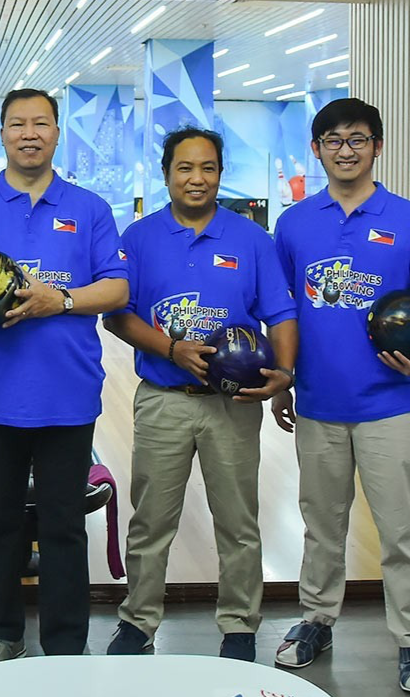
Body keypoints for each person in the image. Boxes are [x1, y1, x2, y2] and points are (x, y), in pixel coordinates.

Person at [0, 88, 128, 668]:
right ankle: (3, 634)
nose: (29, 132)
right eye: (18, 123)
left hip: (67, 394)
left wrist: (58, 300)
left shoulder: (88, 208)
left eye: (41, 122)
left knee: (66, 526)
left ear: (57, 133)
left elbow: (117, 288)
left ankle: (66, 646)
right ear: (3, 133)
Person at [272, 98, 410, 695]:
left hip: (393, 403)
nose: (345, 149)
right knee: (322, 526)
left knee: (403, 531)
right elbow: (284, 311)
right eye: (333, 139)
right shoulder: (293, 224)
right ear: (317, 149)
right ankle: (317, 619)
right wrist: (282, 377)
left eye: (357, 138)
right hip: (319, 403)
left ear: (377, 147)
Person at [104, 127, 298, 662]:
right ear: (167, 173)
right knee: (151, 520)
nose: (197, 178)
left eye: (208, 167)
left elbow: (281, 311)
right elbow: (117, 315)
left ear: (219, 173)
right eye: (185, 168)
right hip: (165, 397)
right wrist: (171, 349)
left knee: (238, 522)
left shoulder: (252, 239)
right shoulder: (139, 238)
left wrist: (284, 371)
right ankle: (138, 621)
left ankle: (239, 625)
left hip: (232, 406)